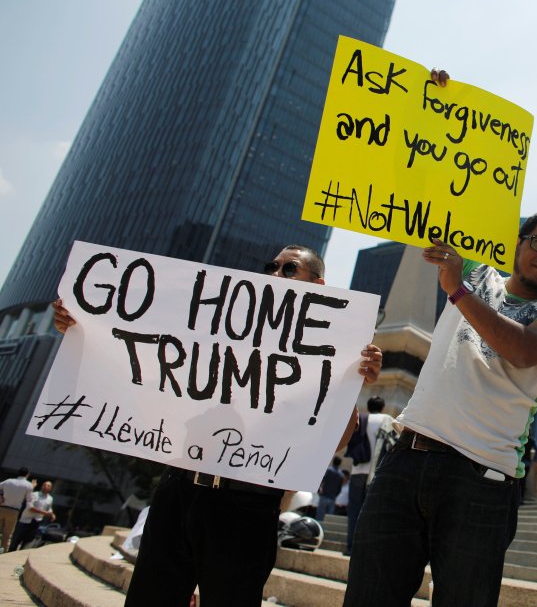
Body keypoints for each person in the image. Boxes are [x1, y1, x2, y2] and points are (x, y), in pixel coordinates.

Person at [53, 244, 383, 607]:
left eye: (289, 270)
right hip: (179, 490)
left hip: (247, 507)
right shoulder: (216, 326)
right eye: (271, 266)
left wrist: (352, 382)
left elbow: (333, 442)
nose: (275, 274)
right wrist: (84, 325)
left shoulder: (331, 353)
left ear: (317, 285)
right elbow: (142, 358)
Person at [343, 208, 537, 607]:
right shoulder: (475, 271)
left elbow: (524, 350)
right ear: (518, 243)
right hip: (406, 459)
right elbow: (430, 214)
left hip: (484, 478)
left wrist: (457, 291)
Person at [343, 395, 392, 555]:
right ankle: (364, 549)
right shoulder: (387, 420)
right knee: (371, 513)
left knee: (354, 511)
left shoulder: (361, 418)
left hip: (357, 471)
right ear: (382, 407)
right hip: (376, 472)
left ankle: (350, 546)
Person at [10, 480, 55, 551]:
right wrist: (45, 513)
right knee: (16, 541)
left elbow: (48, 508)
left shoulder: (50, 498)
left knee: (27, 542)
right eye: (44, 484)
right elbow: (30, 508)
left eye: (48, 486)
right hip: (25, 521)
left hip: (36, 522)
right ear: (41, 486)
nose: (45, 486)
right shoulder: (34, 494)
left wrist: (52, 514)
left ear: (50, 488)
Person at [0, 467, 34, 552]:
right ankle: (3, 553)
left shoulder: (8, 481)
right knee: (7, 534)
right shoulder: (28, 485)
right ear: (27, 474)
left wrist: (1, 496)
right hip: (14, 511)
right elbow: (29, 500)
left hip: (2, 508)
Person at [316, 456, 343, 522]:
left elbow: (322, 480)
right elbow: (339, 488)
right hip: (333, 498)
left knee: (319, 516)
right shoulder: (341, 474)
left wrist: (319, 490)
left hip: (324, 495)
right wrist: (335, 495)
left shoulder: (328, 470)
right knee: (328, 518)